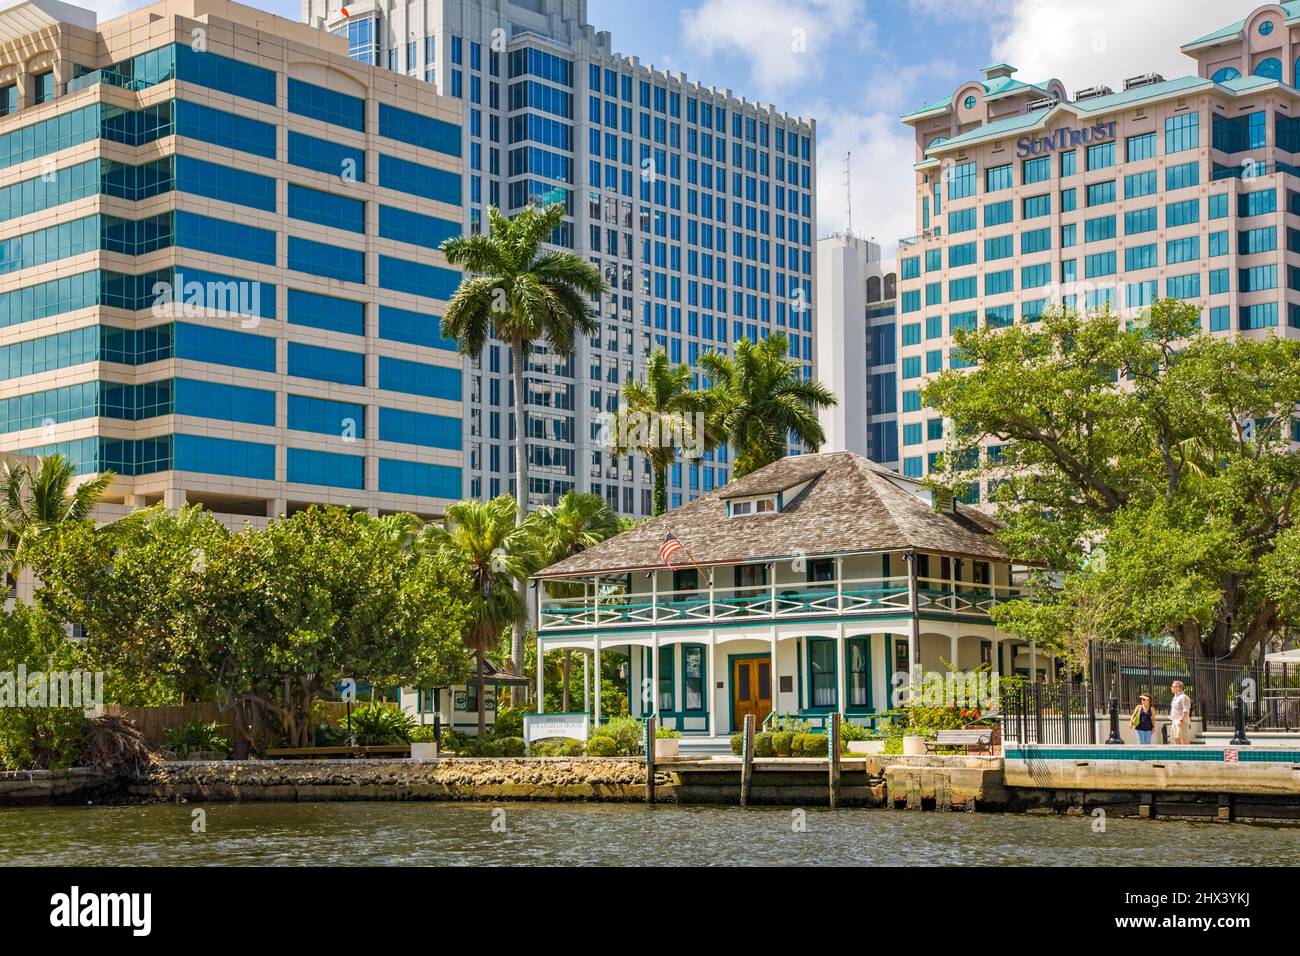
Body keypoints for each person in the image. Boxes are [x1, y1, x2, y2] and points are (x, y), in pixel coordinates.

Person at [1169, 680, 1192, 745]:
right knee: (1176, 740)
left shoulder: (1183, 697)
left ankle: (1187, 755)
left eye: (1172, 686)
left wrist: (1181, 721)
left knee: (1184, 741)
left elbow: (1186, 710)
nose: (1171, 688)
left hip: (1181, 722)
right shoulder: (1175, 697)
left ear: (1178, 688)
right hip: (1175, 721)